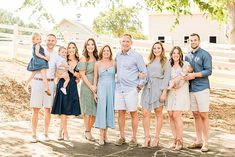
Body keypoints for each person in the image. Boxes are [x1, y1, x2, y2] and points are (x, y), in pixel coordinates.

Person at [114, 34, 147, 147]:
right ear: (120, 43)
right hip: (119, 89)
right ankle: (122, 137)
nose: (125, 43)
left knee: (133, 113)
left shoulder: (136, 56)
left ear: (131, 43)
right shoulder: (117, 55)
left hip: (131, 89)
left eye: (127, 41)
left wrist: (139, 87)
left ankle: (134, 138)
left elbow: (144, 72)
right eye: (123, 41)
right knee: (120, 113)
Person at [30, 34, 61, 143]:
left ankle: (46, 134)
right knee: (35, 109)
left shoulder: (57, 56)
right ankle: (33, 134)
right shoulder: (40, 51)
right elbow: (33, 66)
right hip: (38, 82)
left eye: (53, 40)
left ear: (55, 42)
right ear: (45, 41)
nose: (50, 42)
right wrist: (29, 80)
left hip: (51, 84)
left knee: (48, 109)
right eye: (49, 40)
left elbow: (59, 71)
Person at [184, 33, 212, 152]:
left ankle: (206, 142)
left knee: (203, 115)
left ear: (199, 41)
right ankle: (198, 140)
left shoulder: (205, 54)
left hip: (202, 88)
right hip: (191, 89)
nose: (193, 42)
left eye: (195, 40)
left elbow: (208, 71)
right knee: (195, 115)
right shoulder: (187, 56)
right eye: (191, 40)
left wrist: (194, 75)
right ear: (189, 42)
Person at [140, 41, 171, 148]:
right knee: (145, 113)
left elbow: (167, 78)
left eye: (158, 48)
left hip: (159, 88)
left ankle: (156, 138)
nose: (156, 50)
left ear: (162, 49)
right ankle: (147, 137)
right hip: (148, 88)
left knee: (158, 113)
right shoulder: (149, 62)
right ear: (152, 50)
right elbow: (146, 77)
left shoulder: (165, 62)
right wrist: (140, 84)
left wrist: (164, 92)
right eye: (154, 48)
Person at [51, 42, 81, 141]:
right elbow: (55, 72)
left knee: (67, 111)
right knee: (63, 111)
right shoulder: (63, 59)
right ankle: (66, 133)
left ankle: (60, 131)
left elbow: (79, 76)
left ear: (76, 49)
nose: (71, 49)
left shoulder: (78, 61)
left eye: (73, 47)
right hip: (63, 85)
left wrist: (75, 75)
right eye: (69, 48)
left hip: (72, 86)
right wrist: (61, 76)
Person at [166, 46, 192, 150]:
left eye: (177, 53)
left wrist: (180, 80)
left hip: (181, 92)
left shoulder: (185, 64)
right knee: (171, 115)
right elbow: (165, 78)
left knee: (176, 115)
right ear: (171, 54)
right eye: (174, 53)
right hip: (171, 93)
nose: (175, 55)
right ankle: (175, 139)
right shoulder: (168, 65)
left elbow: (188, 75)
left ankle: (180, 141)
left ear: (180, 54)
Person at [76, 38, 99, 141]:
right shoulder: (83, 58)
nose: (90, 46)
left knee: (95, 111)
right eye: (88, 44)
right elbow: (82, 75)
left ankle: (88, 130)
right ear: (85, 46)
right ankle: (87, 131)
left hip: (96, 84)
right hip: (86, 86)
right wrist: (91, 87)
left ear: (94, 46)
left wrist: (95, 87)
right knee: (87, 110)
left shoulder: (97, 58)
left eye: (92, 44)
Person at [93, 45, 116, 145]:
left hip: (112, 89)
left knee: (109, 110)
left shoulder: (114, 63)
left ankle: (106, 134)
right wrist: (94, 92)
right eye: (104, 51)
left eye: (108, 51)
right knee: (102, 110)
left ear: (110, 52)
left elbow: (119, 76)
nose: (106, 52)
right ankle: (101, 136)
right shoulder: (97, 63)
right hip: (101, 88)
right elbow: (95, 78)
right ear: (101, 52)